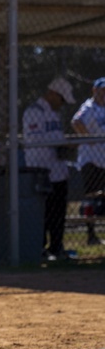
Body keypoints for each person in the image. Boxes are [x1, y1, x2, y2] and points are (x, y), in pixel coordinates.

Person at [23, 76, 76, 261]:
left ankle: (56, 248)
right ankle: (39, 249)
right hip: (41, 170)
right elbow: (36, 140)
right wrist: (61, 144)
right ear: (52, 94)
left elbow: (55, 137)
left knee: (58, 213)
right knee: (42, 213)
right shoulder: (34, 111)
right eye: (61, 99)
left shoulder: (55, 113)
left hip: (58, 170)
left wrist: (64, 146)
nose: (62, 104)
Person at [71, 77, 105, 245]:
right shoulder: (89, 107)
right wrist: (88, 138)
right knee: (91, 197)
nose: (104, 94)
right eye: (102, 90)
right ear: (94, 90)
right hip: (90, 160)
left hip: (104, 160)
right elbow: (76, 121)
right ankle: (91, 235)